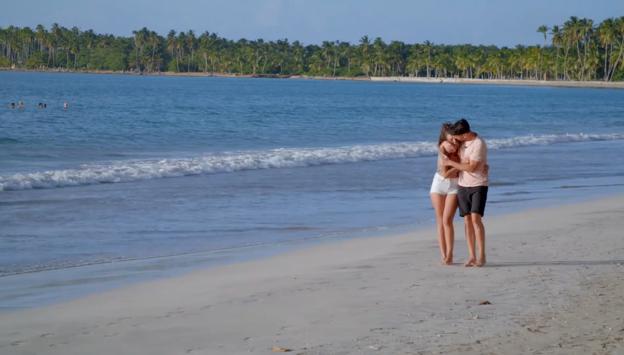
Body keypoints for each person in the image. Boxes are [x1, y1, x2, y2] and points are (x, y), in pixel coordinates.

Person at [443, 119, 489, 267]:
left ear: (465, 134)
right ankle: (471, 256)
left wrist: (451, 164)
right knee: (467, 220)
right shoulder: (461, 142)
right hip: (463, 185)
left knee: (476, 219)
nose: (457, 139)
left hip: (478, 184)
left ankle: (481, 255)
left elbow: (472, 168)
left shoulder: (479, 144)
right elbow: (446, 143)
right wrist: (443, 145)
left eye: (459, 136)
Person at [430, 122, 460, 265]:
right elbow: (445, 174)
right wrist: (459, 164)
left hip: (454, 186)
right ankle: (444, 255)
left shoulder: (460, 145)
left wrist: (458, 163)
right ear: (444, 138)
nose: (453, 142)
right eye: (450, 139)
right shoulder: (442, 148)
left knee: (447, 220)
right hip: (438, 184)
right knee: (440, 221)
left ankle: (450, 254)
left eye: (454, 138)